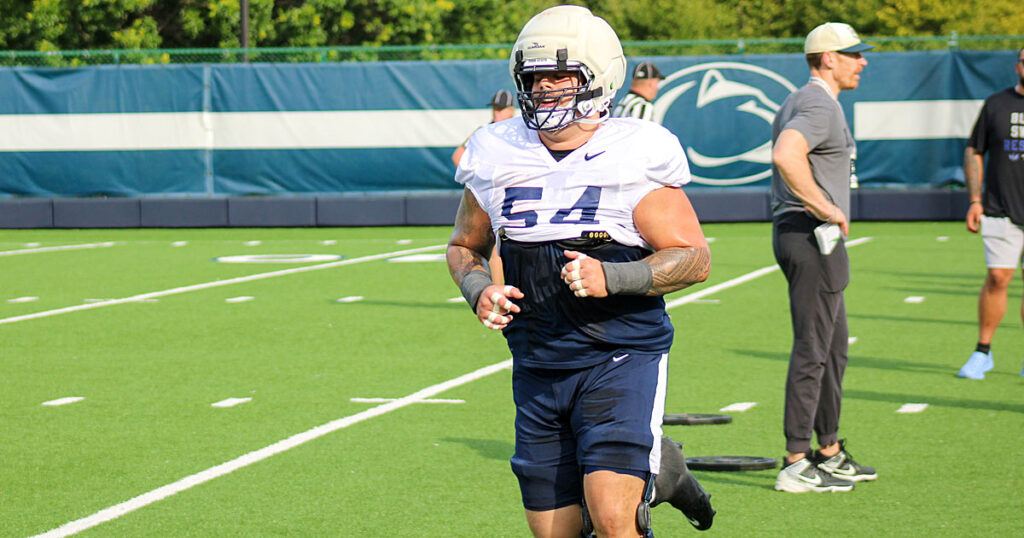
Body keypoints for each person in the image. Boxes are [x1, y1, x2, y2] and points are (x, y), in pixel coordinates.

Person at [446, 5, 714, 536]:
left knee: (615, 519)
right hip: (538, 360)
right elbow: (464, 247)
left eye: (561, 75)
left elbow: (694, 257)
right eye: (534, 77)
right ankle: (663, 464)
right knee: (555, 532)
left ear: (601, 78)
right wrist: (479, 289)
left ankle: (651, 469)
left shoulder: (635, 151)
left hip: (620, 354)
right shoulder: (496, 150)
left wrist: (614, 277)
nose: (545, 89)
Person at [769, 22, 878, 493]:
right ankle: (796, 460)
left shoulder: (806, 100)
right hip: (811, 235)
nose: (863, 61)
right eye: (854, 53)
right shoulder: (816, 101)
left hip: (807, 236)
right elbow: (786, 154)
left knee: (834, 347)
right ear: (828, 58)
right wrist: (826, 207)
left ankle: (827, 450)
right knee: (815, 349)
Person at [957, 47, 1024, 380]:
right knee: (998, 278)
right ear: (1018, 66)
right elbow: (974, 149)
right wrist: (974, 200)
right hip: (1000, 207)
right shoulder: (997, 104)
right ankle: (983, 352)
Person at [451, 90, 516, 167]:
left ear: (511, 110)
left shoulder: (519, 132)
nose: (496, 112)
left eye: (500, 109)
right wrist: (472, 177)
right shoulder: (483, 131)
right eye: (494, 108)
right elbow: (457, 156)